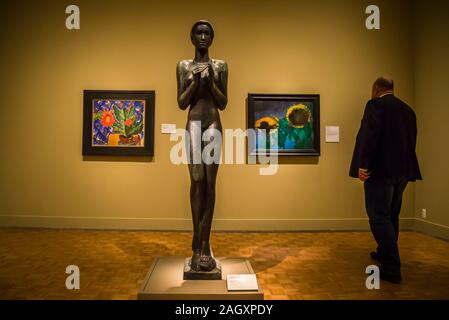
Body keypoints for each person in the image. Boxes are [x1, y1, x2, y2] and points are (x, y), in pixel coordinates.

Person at [349, 77, 422, 283]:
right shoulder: (408, 110)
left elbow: (369, 136)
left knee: (378, 216)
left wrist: (363, 165)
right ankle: (383, 252)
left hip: (380, 171)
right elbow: (412, 140)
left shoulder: (375, 105)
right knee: (392, 215)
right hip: (403, 171)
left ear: (376, 89)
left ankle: (391, 268)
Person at [176, 20, 228, 272]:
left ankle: (205, 245)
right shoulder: (183, 66)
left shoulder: (220, 65)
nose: (203, 37)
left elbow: (223, 102)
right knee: (196, 180)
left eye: (208, 33)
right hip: (193, 124)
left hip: (213, 125)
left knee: (209, 183)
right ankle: (196, 236)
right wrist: (195, 82)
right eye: (199, 33)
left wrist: (210, 83)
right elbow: (182, 103)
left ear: (212, 38)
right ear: (192, 38)